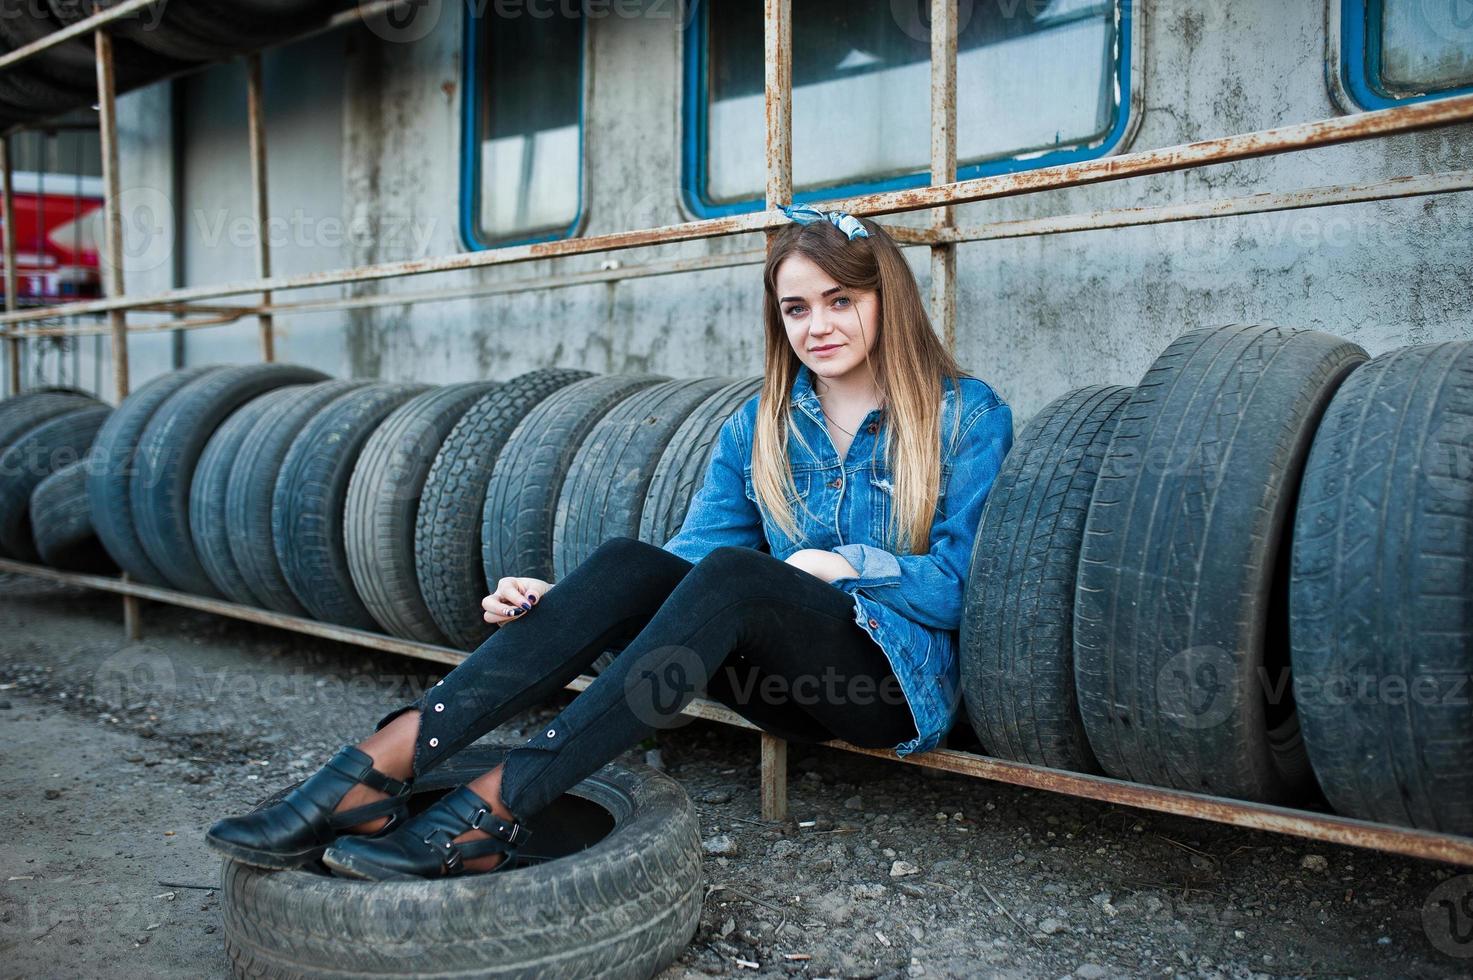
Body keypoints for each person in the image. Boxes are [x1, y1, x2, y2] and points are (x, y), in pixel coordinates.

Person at [205, 204, 1014, 881]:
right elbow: (688, 557)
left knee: (739, 576)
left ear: (886, 300)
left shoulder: (966, 415)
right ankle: (375, 768)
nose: (817, 326)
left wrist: (842, 566)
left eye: (840, 301)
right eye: (796, 309)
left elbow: (956, 586)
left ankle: (493, 806)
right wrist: (566, 606)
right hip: (776, 683)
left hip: (885, 688)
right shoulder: (759, 424)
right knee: (632, 561)